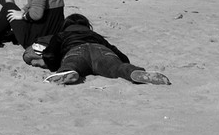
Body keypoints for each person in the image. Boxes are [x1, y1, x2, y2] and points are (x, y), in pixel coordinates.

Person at [30, 14, 170, 85]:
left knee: (72, 64)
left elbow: (49, 53)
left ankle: (67, 71)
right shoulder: (94, 35)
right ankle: (133, 72)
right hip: (101, 50)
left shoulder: (62, 34)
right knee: (117, 68)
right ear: (86, 26)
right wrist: (123, 62)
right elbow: (115, 51)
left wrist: (54, 65)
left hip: (75, 50)